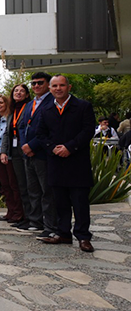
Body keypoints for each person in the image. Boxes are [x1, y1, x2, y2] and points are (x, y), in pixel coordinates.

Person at [35, 75, 96, 252]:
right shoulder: (46, 110)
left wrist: (70, 147)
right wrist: (52, 148)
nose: (58, 88)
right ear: (50, 89)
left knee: (80, 202)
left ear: (69, 87)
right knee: (60, 202)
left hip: (77, 162)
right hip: (56, 162)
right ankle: (64, 234)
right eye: (54, 86)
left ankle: (83, 237)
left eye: (62, 85)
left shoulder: (83, 106)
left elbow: (88, 130)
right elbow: (41, 134)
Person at [18, 71, 57, 238]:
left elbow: (51, 129)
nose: (36, 86)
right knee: (32, 189)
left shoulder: (53, 102)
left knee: (47, 191)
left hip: (42, 153)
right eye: (33, 83)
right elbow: (21, 127)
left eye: (40, 83)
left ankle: (51, 225)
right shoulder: (29, 104)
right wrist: (24, 146)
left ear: (47, 84)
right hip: (28, 154)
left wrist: (33, 146)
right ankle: (36, 221)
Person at [1, 83, 32, 228]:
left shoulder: (30, 107)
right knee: (21, 185)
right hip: (14, 152)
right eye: (16, 91)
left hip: (27, 151)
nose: (18, 93)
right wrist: (4, 151)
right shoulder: (12, 111)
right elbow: (7, 133)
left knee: (30, 184)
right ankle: (24, 216)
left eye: (22, 91)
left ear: (26, 94)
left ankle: (33, 217)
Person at [0, 94, 24, 224]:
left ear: (6, 104)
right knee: (5, 185)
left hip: (9, 155)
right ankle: (10, 211)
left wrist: (3, 151)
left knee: (13, 183)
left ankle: (19, 212)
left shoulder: (11, 119)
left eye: (1, 103)